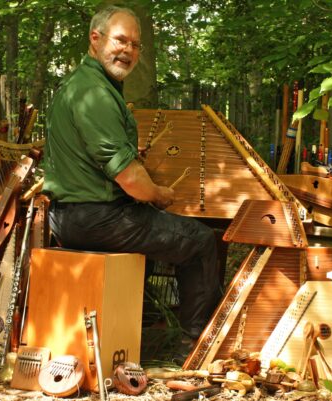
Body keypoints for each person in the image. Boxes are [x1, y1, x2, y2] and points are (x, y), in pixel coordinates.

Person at [42, 6, 221, 354]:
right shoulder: (93, 93)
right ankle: (194, 346)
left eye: (135, 45)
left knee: (158, 239)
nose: (128, 51)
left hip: (72, 216)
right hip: (96, 218)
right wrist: (158, 193)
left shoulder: (84, 86)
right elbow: (129, 178)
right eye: (120, 41)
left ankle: (132, 336)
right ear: (96, 39)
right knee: (200, 241)